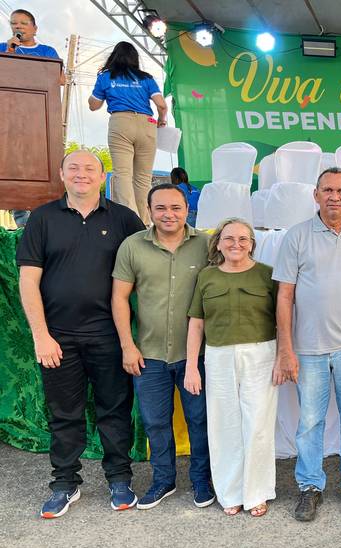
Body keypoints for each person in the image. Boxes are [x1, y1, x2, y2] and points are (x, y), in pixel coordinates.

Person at [16, 150, 145, 518]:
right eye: (74, 167)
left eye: (90, 168)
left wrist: (130, 340)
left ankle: (120, 480)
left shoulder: (124, 219)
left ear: (102, 177)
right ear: (61, 174)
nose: (82, 174)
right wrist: (41, 335)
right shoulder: (42, 219)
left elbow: (145, 270)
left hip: (109, 336)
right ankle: (64, 483)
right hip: (58, 338)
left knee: (115, 411)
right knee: (64, 413)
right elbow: (29, 281)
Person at [273, 167, 341, 522]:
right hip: (308, 349)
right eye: (327, 190)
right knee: (309, 422)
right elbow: (284, 295)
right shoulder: (297, 236)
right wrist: (285, 348)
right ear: (316, 194)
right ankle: (309, 486)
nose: (334, 196)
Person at [111, 184, 213, 510]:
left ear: (187, 209)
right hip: (148, 354)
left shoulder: (207, 245)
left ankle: (201, 481)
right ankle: (163, 480)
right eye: (160, 208)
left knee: (199, 420)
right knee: (156, 422)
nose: (168, 214)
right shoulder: (132, 246)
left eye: (176, 208)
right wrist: (128, 345)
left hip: (194, 355)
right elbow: (119, 298)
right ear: (150, 211)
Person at [186, 218, 278, 517]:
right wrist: (191, 366)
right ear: (218, 242)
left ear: (252, 243)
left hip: (260, 354)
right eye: (229, 238)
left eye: (243, 239)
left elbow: (283, 318)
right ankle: (231, 492)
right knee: (224, 424)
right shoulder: (207, 277)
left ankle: (257, 492)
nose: (236, 244)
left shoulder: (267, 275)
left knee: (258, 425)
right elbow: (196, 323)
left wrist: (286, 357)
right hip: (218, 355)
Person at [89, 41, 168, 225]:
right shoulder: (146, 78)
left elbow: (94, 105)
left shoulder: (106, 76)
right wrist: (161, 119)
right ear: (135, 59)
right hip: (147, 123)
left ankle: (128, 220)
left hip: (120, 122)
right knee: (143, 177)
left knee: (122, 173)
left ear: (113, 57)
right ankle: (145, 221)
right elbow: (162, 105)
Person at [3, 9, 61, 227]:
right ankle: (23, 227)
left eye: (23, 23)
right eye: (14, 23)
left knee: (40, 168)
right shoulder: (4, 48)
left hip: (40, 120)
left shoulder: (47, 51)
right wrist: (10, 51)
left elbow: (60, 79)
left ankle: (44, 224)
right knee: (15, 168)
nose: (18, 27)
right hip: (9, 120)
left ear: (35, 28)